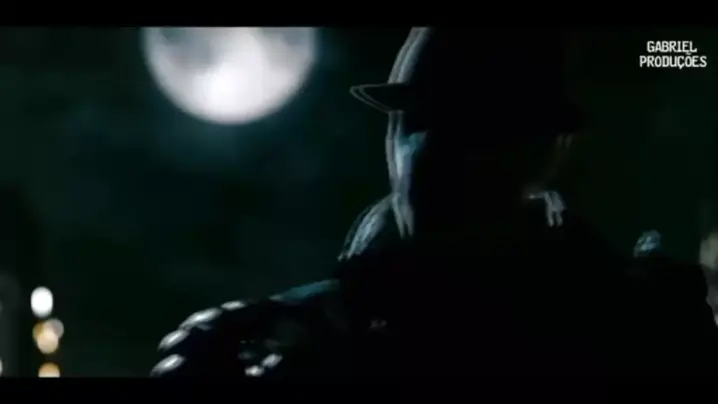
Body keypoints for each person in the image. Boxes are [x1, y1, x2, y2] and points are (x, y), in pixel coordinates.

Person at [151, 27, 718, 382]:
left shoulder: (630, 328)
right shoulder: (294, 325)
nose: (426, 152)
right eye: (416, 120)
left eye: (473, 124)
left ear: (541, 147)